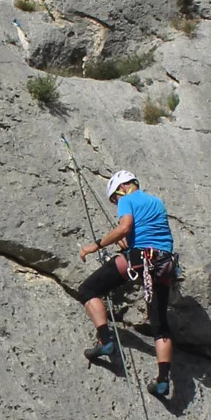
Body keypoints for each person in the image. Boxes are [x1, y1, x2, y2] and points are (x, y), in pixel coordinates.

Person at [78, 169, 177, 401]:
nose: (116, 203)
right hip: (164, 263)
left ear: (122, 187)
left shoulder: (127, 200)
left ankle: (105, 341)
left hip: (141, 258)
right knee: (160, 325)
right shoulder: (156, 201)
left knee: (88, 290)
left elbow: (125, 227)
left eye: (115, 198)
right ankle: (163, 381)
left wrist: (95, 246)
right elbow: (145, 232)